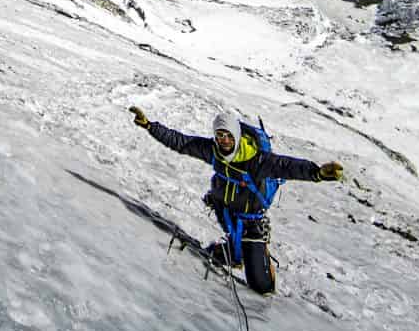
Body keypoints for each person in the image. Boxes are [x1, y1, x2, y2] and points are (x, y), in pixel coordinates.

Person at [128, 105, 343, 294]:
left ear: (237, 136)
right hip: (224, 208)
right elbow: (181, 142)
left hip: (251, 219)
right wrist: (150, 126)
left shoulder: (255, 160)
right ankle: (235, 251)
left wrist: (317, 173)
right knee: (233, 242)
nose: (224, 140)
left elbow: (287, 166)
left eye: (228, 135)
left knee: (261, 286)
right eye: (220, 135)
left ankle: (256, 253)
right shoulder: (213, 151)